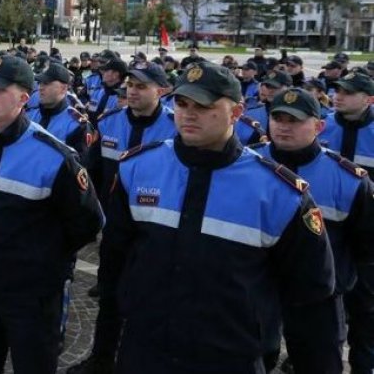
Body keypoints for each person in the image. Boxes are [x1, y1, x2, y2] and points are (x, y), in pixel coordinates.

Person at [97, 62, 342, 374]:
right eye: (183, 103)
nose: (189, 114)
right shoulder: (138, 167)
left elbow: (312, 297)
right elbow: (114, 263)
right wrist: (104, 349)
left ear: (236, 112)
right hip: (146, 347)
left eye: (204, 106)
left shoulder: (279, 192)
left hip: (230, 354)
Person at [0, 55, 104, 373]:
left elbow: (88, 221)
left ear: (24, 98)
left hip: (31, 295)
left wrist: (41, 259)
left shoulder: (55, 156)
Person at [252, 87, 374, 374]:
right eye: (278, 117)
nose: (284, 126)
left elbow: (366, 247)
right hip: (256, 291)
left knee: (320, 364)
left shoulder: (349, 180)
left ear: (319, 126)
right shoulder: (246, 166)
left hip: (319, 297)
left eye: (294, 120)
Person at [29, 62, 96, 159]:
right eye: (40, 83)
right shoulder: (28, 115)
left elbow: (77, 167)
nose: (40, 87)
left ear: (64, 89)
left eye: (47, 83)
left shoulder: (78, 126)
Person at [319, 70, 374, 176]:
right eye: (337, 90)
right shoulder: (320, 126)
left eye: (348, 93)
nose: (337, 97)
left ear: (369, 100)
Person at [245, 69, 292, 134]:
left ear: (289, 88)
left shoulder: (297, 114)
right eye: (268, 86)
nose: (270, 90)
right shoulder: (253, 112)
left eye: (275, 87)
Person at [86, 57, 126, 123]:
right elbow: (90, 114)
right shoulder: (97, 93)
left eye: (106, 70)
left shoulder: (123, 99)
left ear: (115, 75)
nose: (102, 72)